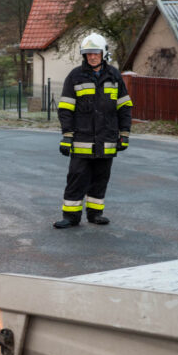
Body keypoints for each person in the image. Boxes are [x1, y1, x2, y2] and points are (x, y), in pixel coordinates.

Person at [53, 32, 132, 229]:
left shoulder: (114, 76)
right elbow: (66, 109)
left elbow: (124, 107)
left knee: (100, 178)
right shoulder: (75, 77)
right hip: (82, 139)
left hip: (106, 139)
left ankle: (95, 214)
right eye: (88, 53)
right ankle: (71, 217)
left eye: (95, 53)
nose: (92, 57)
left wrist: (124, 134)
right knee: (77, 178)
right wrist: (67, 136)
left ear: (103, 53)